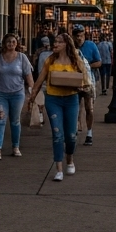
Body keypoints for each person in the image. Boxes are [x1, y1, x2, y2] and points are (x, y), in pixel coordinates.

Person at [27, 31, 88, 181]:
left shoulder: (76, 61)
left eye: (60, 42)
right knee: (57, 134)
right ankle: (59, 169)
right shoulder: (50, 61)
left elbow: (85, 81)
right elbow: (40, 79)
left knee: (71, 135)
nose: (56, 44)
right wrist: (32, 96)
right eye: (55, 42)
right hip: (53, 99)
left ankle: (70, 159)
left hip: (71, 99)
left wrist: (82, 87)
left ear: (67, 44)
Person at [0, 32, 34, 159]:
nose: (11, 44)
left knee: (15, 121)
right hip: (0, 93)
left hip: (17, 94)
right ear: (4, 44)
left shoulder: (22, 57)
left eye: (13, 42)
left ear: (17, 43)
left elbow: (28, 75)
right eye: (8, 42)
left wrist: (32, 92)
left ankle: (15, 146)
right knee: (0, 120)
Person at [73, 26, 101, 145]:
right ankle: (74, 131)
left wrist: (86, 66)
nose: (79, 38)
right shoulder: (70, 46)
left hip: (88, 80)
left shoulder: (91, 45)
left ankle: (89, 133)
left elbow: (99, 62)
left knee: (89, 107)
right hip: (74, 81)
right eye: (77, 35)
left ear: (84, 35)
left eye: (81, 35)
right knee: (74, 107)